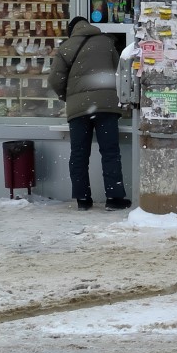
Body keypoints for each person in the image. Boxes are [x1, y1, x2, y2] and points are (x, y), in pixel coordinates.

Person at [49, 16, 131, 211]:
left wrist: (67, 96)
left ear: (72, 30)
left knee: (78, 154)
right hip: (106, 108)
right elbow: (119, 73)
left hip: (79, 109)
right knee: (110, 153)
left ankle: (83, 199)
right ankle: (114, 198)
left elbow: (54, 79)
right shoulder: (107, 42)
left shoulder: (66, 47)